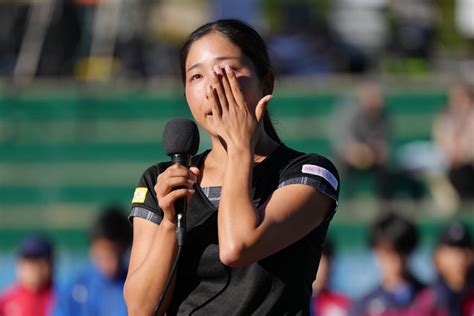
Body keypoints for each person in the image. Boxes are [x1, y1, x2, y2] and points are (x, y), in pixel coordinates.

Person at [123, 19, 340, 315]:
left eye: (226, 71)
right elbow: (140, 309)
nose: (212, 88)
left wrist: (240, 147)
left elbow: (238, 246)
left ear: (267, 82)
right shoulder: (161, 181)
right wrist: (170, 223)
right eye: (196, 76)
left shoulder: (307, 174)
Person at [53, 206, 132, 316]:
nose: (107, 261)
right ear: (92, 249)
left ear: (125, 248)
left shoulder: (133, 288)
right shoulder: (73, 290)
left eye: (112, 252)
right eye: (100, 254)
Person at [349, 212, 425, 316]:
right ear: (375, 253)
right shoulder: (363, 306)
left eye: (402, 252)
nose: (397, 261)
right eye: (388, 254)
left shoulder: (431, 299)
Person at [331, 80, 391, 201]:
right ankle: (347, 200)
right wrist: (358, 151)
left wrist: (376, 150)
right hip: (350, 152)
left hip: (371, 153)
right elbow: (343, 140)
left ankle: (383, 201)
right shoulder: (350, 111)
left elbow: (383, 139)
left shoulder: (383, 113)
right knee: (344, 164)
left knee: (384, 166)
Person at [415, 222, 474, 316]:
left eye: (464, 250)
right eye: (452, 252)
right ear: (438, 256)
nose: (460, 258)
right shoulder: (426, 300)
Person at [432, 82, 474, 201]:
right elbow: (440, 141)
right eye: (455, 99)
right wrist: (451, 154)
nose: (458, 102)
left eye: (462, 98)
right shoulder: (445, 118)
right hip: (450, 165)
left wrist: (463, 154)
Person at [0, 234, 55, 316]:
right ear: (18, 264)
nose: (34, 268)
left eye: (40, 262)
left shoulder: (64, 298)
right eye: (29, 261)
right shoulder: (6, 301)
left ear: (51, 264)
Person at [310, 239, 351, 316]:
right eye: (317, 265)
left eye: (328, 264)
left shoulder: (340, 305)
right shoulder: (293, 302)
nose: (323, 273)